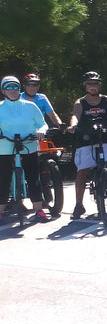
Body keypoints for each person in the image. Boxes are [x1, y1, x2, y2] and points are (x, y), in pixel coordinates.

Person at [67, 71, 107, 218]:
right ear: (85, 85)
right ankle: (79, 205)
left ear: (99, 85)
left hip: (106, 137)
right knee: (82, 171)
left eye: (95, 83)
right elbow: (75, 116)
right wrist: (73, 126)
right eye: (90, 83)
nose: (93, 86)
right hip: (87, 139)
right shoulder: (80, 102)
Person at [0, 76, 50, 222]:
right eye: (9, 87)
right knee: (3, 179)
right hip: (4, 147)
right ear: (3, 90)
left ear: (19, 89)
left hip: (28, 145)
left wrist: (41, 131)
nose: (13, 90)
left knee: (34, 177)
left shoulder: (30, 106)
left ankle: (39, 210)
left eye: (15, 87)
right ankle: (1, 210)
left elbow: (42, 124)